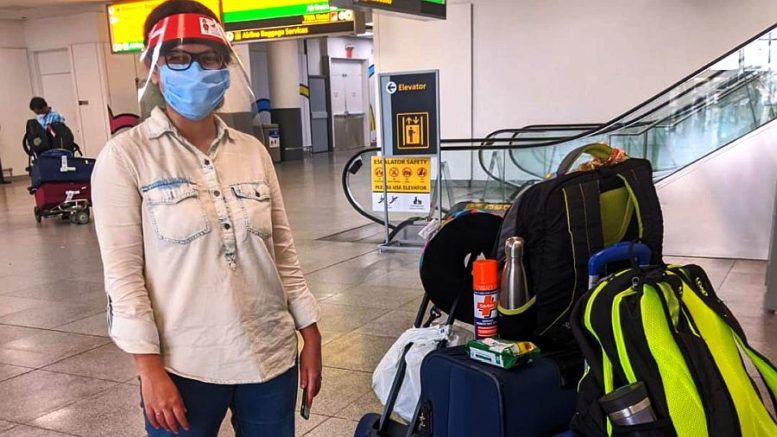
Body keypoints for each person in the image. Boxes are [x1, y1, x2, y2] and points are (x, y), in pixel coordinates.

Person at [91, 1, 322, 436]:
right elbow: (123, 276)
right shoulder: (126, 157)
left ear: (225, 67)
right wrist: (149, 369)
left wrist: (310, 333)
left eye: (209, 58)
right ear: (154, 70)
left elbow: (283, 255)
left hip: (270, 358)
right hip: (184, 366)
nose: (195, 70)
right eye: (178, 58)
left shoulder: (252, 152)